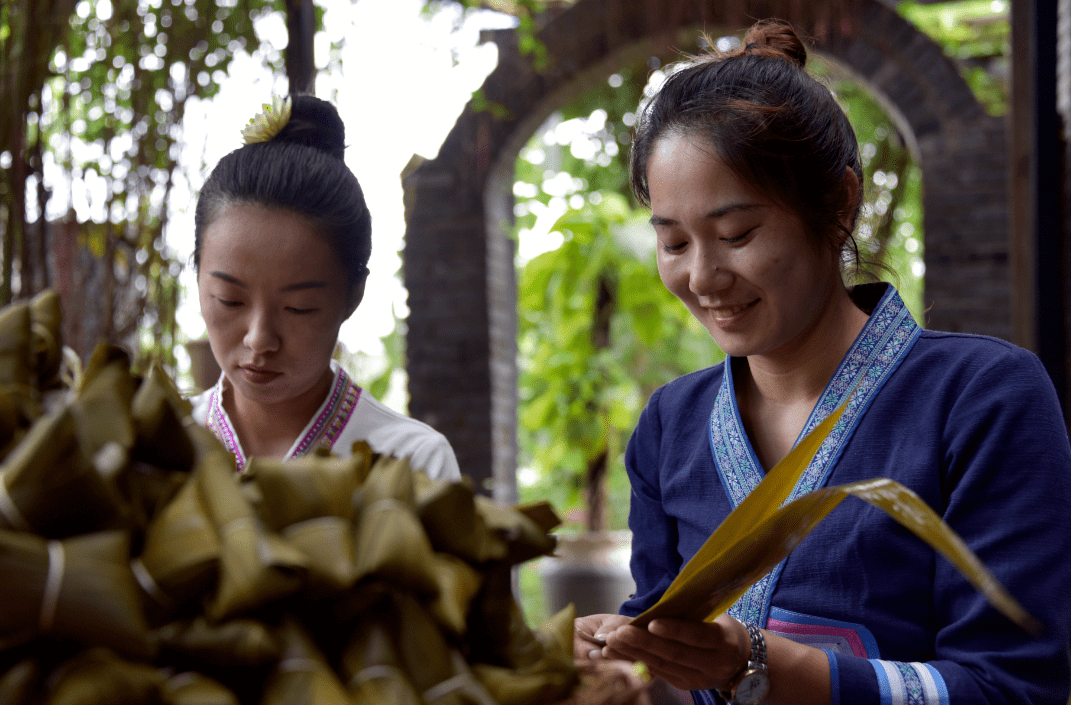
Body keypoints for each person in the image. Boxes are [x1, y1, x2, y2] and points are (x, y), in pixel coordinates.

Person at [574, 18, 1071, 705]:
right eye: (674, 242)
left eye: (735, 234)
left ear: (838, 204)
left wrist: (758, 664)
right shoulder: (670, 425)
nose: (704, 276)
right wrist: (621, 656)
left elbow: (1013, 686)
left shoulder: (981, 397)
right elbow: (663, 648)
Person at [188, 94, 461, 482]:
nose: (260, 339)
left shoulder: (410, 464)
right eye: (230, 300)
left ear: (352, 296)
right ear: (198, 276)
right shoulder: (154, 444)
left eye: (299, 307)